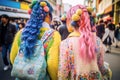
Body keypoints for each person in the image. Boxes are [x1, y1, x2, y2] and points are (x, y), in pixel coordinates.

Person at [10, 0, 61, 80]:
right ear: (48, 15)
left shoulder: (21, 33)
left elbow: (13, 58)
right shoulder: (54, 35)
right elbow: (52, 64)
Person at [58, 5, 111, 80]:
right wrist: (108, 73)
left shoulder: (66, 44)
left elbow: (63, 73)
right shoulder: (98, 41)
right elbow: (102, 67)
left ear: (71, 20)